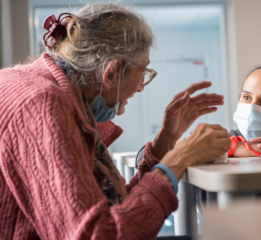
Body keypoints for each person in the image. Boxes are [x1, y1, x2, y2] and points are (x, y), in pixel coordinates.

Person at [0, 3, 231, 240]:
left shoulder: (57, 91)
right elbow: (99, 235)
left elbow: (117, 209)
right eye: (143, 72)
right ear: (111, 73)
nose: (141, 86)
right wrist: (177, 162)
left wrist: (167, 141)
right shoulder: (44, 106)